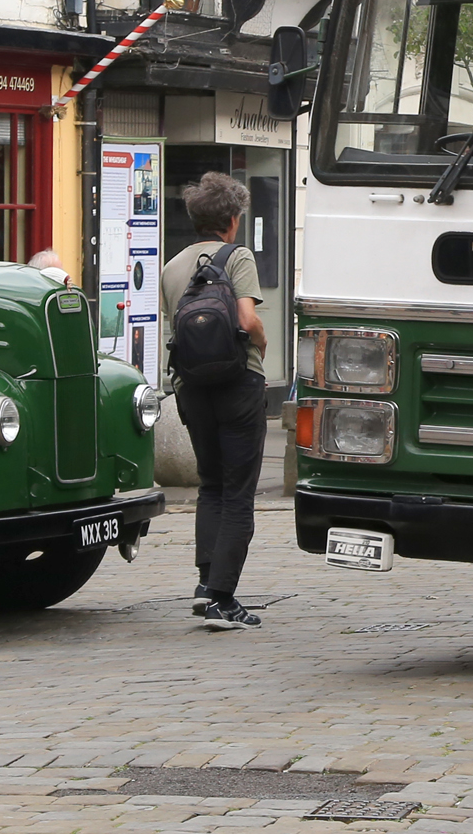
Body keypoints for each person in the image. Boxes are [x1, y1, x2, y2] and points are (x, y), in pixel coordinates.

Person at [162, 172, 269, 631]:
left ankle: (206, 586)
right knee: (239, 491)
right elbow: (247, 318)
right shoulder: (237, 256)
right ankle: (223, 599)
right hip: (237, 383)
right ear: (231, 219)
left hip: (191, 386)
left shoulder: (171, 267)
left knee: (211, 485)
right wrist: (259, 345)